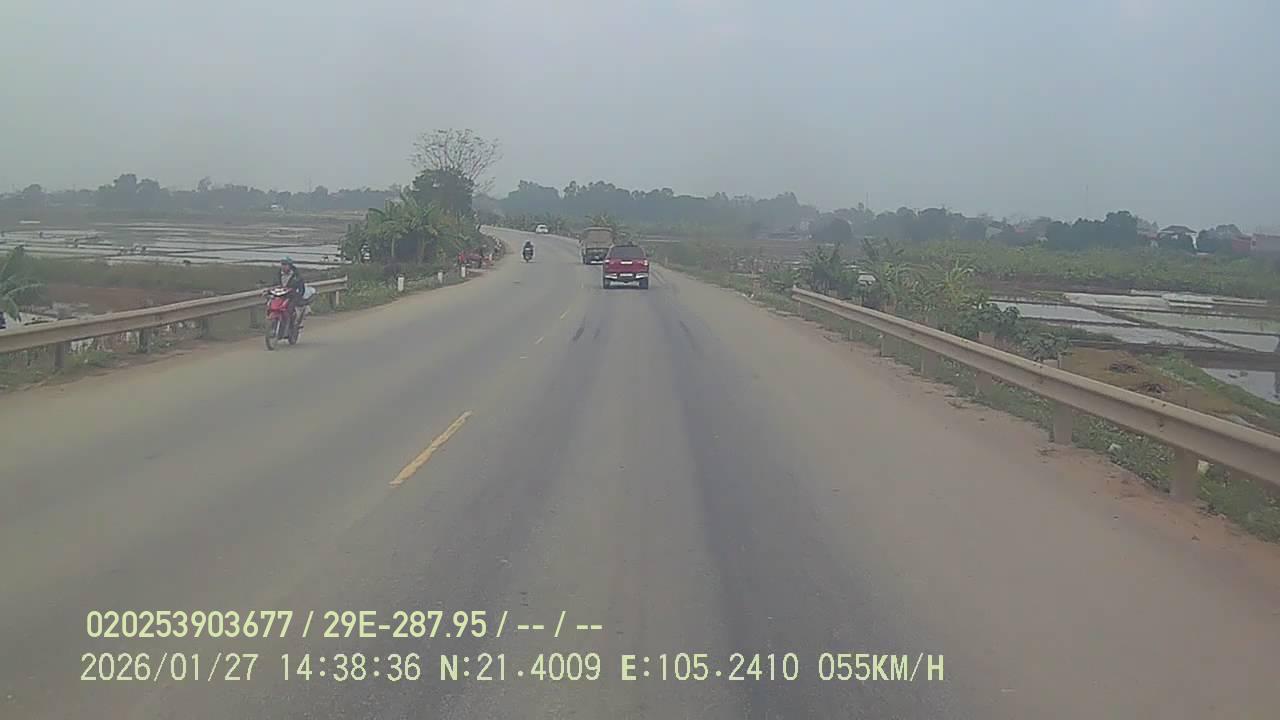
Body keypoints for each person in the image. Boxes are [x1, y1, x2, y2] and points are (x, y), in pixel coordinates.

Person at [276, 257, 307, 327]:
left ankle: (292, 324)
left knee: (290, 309)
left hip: (292, 296)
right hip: (282, 295)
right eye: (282, 264)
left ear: (290, 265)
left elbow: (301, 288)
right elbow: (276, 284)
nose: (283, 267)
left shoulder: (296, 275)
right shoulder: (279, 274)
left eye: (285, 264)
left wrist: (298, 296)